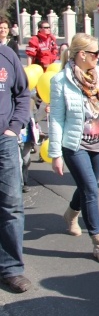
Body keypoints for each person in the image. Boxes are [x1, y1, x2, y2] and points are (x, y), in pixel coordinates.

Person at [49, 33, 99, 265]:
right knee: (90, 191)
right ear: (82, 55)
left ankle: (70, 215)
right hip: (75, 144)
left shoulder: (96, 76)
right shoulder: (61, 81)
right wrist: (55, 153)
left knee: (89, 186)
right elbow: (56, 119)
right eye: (96, 53)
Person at [0, 44, 32, 293]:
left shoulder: (6, 55)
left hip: (4, 140)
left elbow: (22, 95)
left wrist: (14, 128)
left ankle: (11, 268)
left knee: (11, 203)